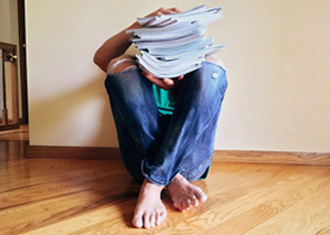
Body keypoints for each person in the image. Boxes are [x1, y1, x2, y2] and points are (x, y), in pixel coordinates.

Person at [94, 7, 228, 229]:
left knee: (213, 67)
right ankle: (169, 178)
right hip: (141, 160)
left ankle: (154, 182)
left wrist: (177, 90)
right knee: (118, 64)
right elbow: (101, 58)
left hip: (190, 162)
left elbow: (197, 118)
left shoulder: (197, 75)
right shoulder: (135, 73)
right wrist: (144, 22)